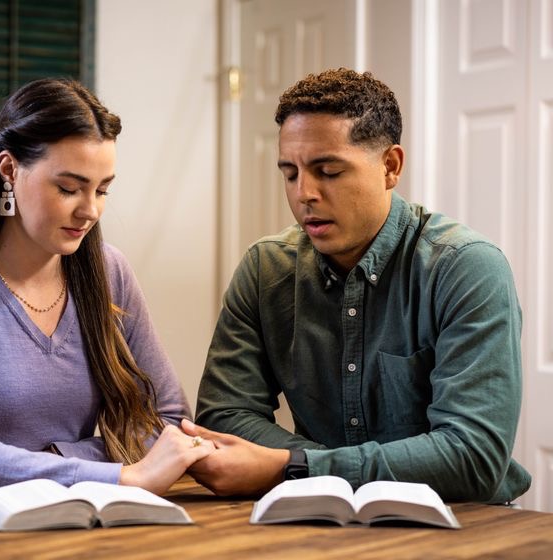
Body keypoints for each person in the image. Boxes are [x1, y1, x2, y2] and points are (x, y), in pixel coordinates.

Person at [189, 68, 531, 503]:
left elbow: (472, 456)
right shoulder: (266, 268)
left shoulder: (466, 268)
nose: (304, 193)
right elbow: (224, 417)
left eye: (327, 171)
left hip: (464, 524)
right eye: (290, 174)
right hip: (315, 516)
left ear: (390, 167)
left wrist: (299, 467)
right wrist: (320, 472)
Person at [0, 78, 210, 499]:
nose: (89, 211)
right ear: (9, 169)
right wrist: (117, 474)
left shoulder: (109, 271)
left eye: (102, 190)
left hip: (70, 509)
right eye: (68, 188)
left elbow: (169, 422)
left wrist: (49, 460)